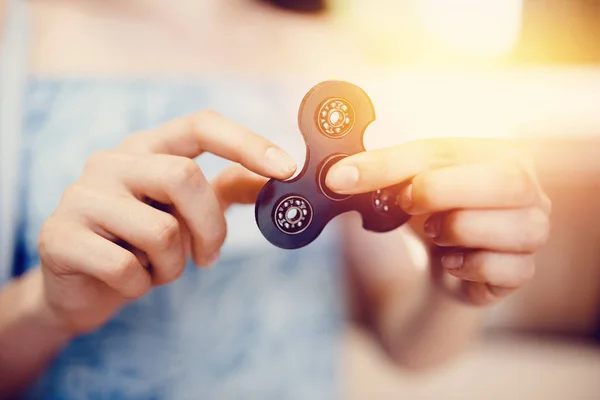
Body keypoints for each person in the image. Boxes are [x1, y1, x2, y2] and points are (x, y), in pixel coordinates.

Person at [0, 0, 550, 398]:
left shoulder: (332, 48)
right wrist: (45, 308)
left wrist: (455, 279)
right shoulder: (14, 34)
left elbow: (409, 342)